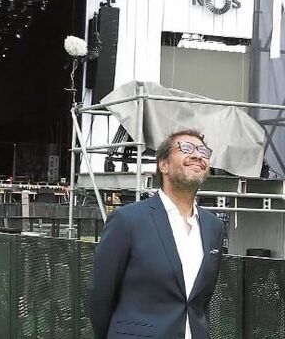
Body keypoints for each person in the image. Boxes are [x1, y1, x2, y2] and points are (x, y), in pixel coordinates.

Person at [89, 130, 226, 339]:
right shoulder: (127, 220)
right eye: (186, 148)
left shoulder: (213, 227)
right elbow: (101, 295)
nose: (198, 155)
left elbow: (201, 300)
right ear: (164, 165)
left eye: (203, 151)